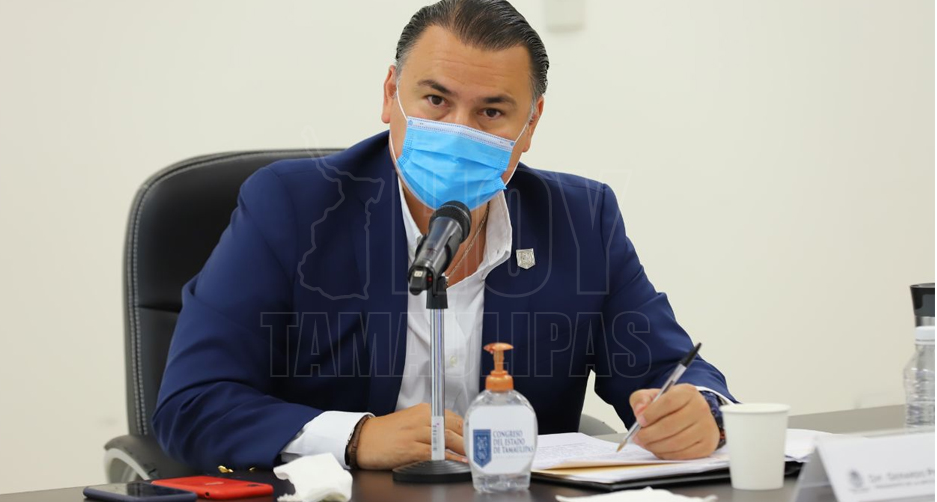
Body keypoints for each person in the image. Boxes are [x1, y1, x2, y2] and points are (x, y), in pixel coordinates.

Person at [153, 0, 735, 473]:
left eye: (491, 113)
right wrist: (357, 437)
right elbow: (192, 403)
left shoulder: (581, 220)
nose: (458, 131)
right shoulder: (291, 207)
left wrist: (702, 413)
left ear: (530, 124)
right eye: (435, 100)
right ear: (390, 94)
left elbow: (671, 370)